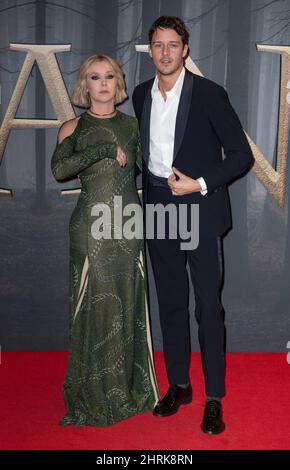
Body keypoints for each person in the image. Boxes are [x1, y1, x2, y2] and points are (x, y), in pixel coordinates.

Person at [132, 16, 254, 434]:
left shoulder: (209, 94)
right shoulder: (140, 94)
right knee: (169, 301)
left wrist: (199, 184)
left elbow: (241, 156)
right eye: (157, 45)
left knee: (206, 306)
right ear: (150, 50)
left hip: (198, 206)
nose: (165, 53)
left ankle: (214, 397)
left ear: (185, 49)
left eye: (173, 45)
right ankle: (180, 385)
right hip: (158, 208)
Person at [51, 54, 159, 427]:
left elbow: (152, 167)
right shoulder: (72, 128)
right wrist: (99, 150)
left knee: (127, 303)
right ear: (85, 84)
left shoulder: (132, 125)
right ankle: (92, 393)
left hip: (128, 226)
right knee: (92, 306)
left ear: (118, 82)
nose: (102, 83)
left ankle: (128, 388)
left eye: (109, 76)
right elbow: (60, 170)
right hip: (90, 229)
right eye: (94, 77)